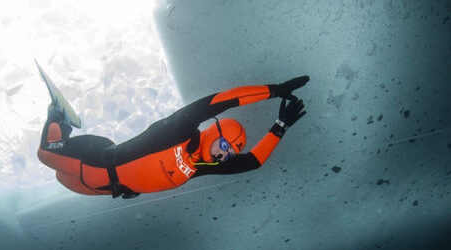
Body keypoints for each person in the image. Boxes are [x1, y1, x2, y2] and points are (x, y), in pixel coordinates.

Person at [38, 76, 309, 198]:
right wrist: (273, 90)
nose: (224, 155)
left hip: (98, 189)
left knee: (59, 178)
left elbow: (253, 161)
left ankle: (62, 134)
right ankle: (59, 119)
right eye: (224, 145)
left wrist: (280, 126)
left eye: (230, 153)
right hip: (95, 159)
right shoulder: (180, 130)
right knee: (45, 154)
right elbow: (220, 101)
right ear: (215, 133)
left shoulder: (203, 166)